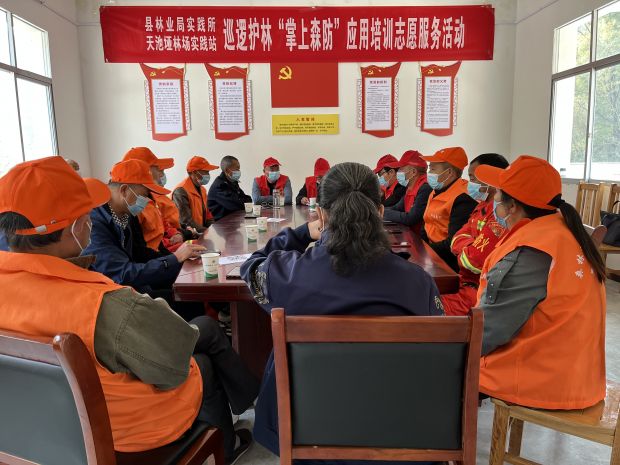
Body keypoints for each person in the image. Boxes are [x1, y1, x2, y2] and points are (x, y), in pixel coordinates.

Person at [0, 156, 259, 464]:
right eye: (86, 213)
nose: (91, 219)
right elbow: (172, 363)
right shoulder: (101, 302)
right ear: (77, 225)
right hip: (120, 438)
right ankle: (225, 447)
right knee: (199, 363)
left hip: (31, 436)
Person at [240, 162, 443, 464]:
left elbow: (251, 266)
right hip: (400, 432)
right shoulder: (418, 283)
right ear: (380, 212)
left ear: (321, 215)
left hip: (308, 433)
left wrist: (299, 234)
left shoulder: (289, 275)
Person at [475, 155, 606, 410]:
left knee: (432, 366)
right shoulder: (561, 229)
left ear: (512, 206)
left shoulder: (532, 250)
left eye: (497, 195)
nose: (494, 202)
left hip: (542, 379)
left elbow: (491, 330)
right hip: (575, 374)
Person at [83, 159, 206, 319]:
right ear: (124, 190)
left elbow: (140, 253)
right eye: (144, 195)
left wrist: (178, 260)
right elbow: (121, 274)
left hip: (134, 286)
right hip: (113, 299)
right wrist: (174, 259)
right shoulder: (94, 224)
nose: (146, 201)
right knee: (187, 300)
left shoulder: (125, 214)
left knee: (189, 290)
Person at [442, 153, 509, 316]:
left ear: (491, 181)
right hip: (464, 283)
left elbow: (472, 262)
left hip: (477, 294)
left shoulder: (501, 215)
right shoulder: (481, 206)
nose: (469, 183)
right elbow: (456, 238)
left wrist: (467, 246)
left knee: (423, 309)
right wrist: (469, 245)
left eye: (472, 178)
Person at [420, 147, 477, 272]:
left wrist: (423, 250)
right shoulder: (436, 191)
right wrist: (420, 245)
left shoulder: (463, 198)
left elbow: (453, 243)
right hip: (432, 254)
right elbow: (426, 223)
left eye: (433, 169)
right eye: (429, 168)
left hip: (448, 262)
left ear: (449, 172)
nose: (429, 173)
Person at [122, 147, 189, 252]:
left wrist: (177, 234)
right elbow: (142, 250)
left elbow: (163, 225)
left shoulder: (149, 198)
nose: (161, 174)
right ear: (145, 170)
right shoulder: (134, 205)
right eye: (158, 169)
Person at [383, 150, 432, 232]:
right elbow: (397, 208)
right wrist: (378, 211)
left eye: (401, 169)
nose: (398, 173)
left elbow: (410, 218)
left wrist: (382, 213)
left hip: (421, 237)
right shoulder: (410, 187)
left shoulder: (425, 188)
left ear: (413, 172)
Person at [173, 156, 219, 233]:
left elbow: (208, 216)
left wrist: (215, 229)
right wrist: (207, 232)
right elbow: (186, 222)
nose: (208, 175)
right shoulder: (180, 191)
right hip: (189, 235)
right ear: (194, 172)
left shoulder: (203, 190)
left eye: (208, 172)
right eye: (205, 172)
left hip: (201, 233)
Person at [208, 156, 252, 221]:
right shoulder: (219, 185)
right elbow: (236, 206)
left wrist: (241, 201)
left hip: (233, 220)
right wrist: (241, 201)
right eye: (237, 169)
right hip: (220, 223)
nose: (239, 171)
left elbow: (248, 199)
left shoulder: (233, 182)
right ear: (227, 170)